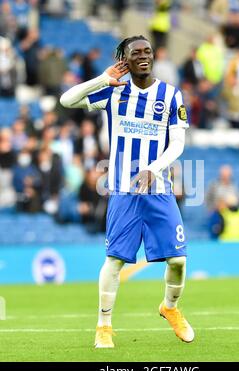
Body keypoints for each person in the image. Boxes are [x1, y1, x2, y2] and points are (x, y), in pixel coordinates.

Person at [60, 35, 194, 348]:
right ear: (125, 59)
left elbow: (177, 143)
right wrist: (102, 79)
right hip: (122, 189)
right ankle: (103, 326)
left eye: (148, 51)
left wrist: (154, 168)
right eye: (136, 53)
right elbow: (67, 100)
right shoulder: (113, 92)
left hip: (159, 188)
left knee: (178, 261)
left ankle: (169, 308)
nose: (144, 56)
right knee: (115, 260)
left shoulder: (171, 95)